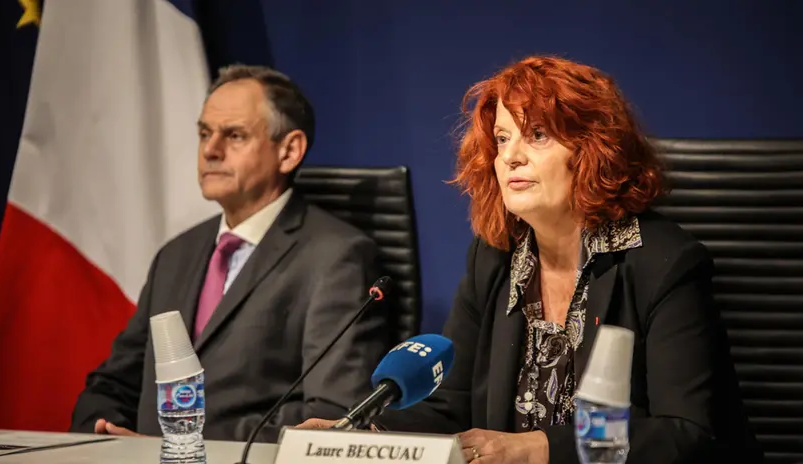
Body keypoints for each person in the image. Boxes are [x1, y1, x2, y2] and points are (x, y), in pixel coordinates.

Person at [298, 56, 762, 463]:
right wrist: (358, 438)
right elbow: (450, 405)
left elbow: (683, 431)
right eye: (502, 138)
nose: (510, 157)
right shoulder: (497, 257)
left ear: (592, 150)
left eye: (537, 135)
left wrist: (536, 449)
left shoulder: (662, 262)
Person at [70, 65, 392, 442]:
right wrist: (100, 433)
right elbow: (114, 382)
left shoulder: (338, 258)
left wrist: (181, 444)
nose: (210, 150)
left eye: (234, 135)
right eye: (204, 133)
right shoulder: (176, 254)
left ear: (289, 151)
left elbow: (332, 415)